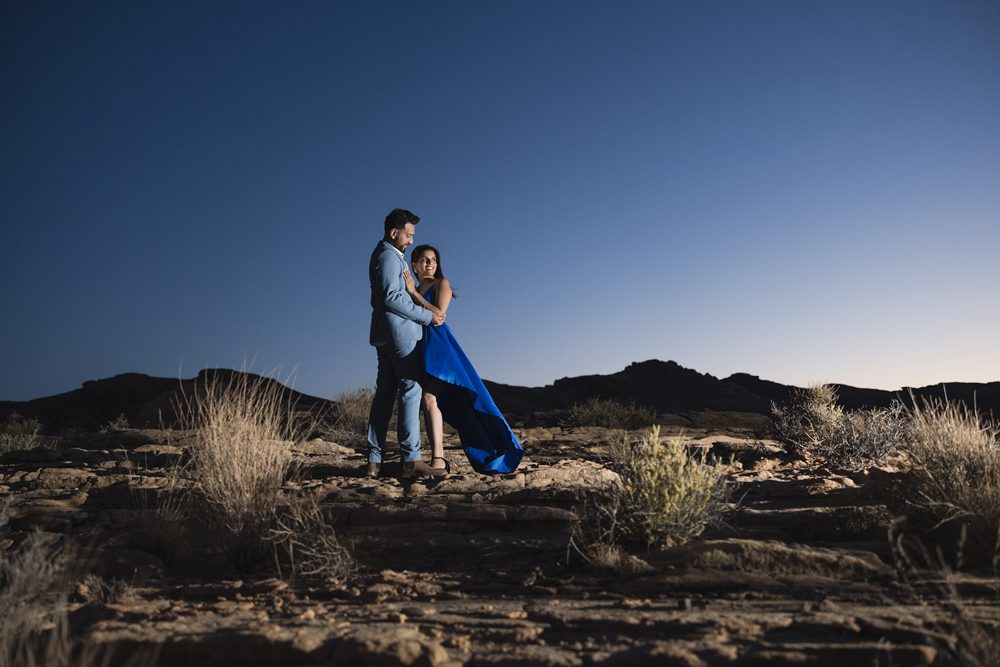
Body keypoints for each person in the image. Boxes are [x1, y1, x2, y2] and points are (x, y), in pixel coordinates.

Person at [402, 244, 524, 474]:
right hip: (419, 348)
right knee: (431, 401)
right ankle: (436, 458)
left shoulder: (441, 284)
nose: (431, 263)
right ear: (415, 264)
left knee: (429, 398)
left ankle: (438, 460)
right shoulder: (412, 288)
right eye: (425, 260)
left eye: (434, 260)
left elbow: (438, 316)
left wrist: (413, 293)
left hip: (440, 349)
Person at [365, 209, 446, 479]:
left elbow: (377, 300)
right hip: (400, 335)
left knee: (385, 396)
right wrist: (426, 316)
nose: (411, 240)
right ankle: (411, 459)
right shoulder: (389, 256)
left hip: (383, 334)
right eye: (409, 235)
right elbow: (390, 298)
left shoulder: (380, 255)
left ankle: (374, 461)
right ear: (394, 232)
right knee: (411, 389)